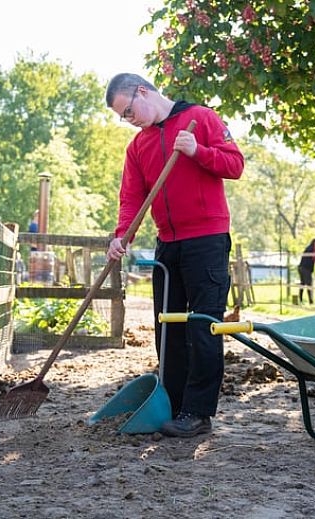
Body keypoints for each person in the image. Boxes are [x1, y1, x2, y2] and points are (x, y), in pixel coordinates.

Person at [105, 73, 244, 437]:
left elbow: (235, 165)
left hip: (207, 239)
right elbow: (131, 198)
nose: (129, 119)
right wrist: (123, 236)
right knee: (168, 327)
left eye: (129, 110)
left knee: (202, 327)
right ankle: (175, 405)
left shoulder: (202, 118)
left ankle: (198, 413)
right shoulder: (137, 147)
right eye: (123, 116)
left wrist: (198, 151)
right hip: (168, 244)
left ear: (142, 91)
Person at [297, 238, 315, 305]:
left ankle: (300, 299)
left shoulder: (308, 248)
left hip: (301, 267)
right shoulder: (313, 249)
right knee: (309, 285)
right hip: (306, 268)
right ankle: (310, 301)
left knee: (302, 284)